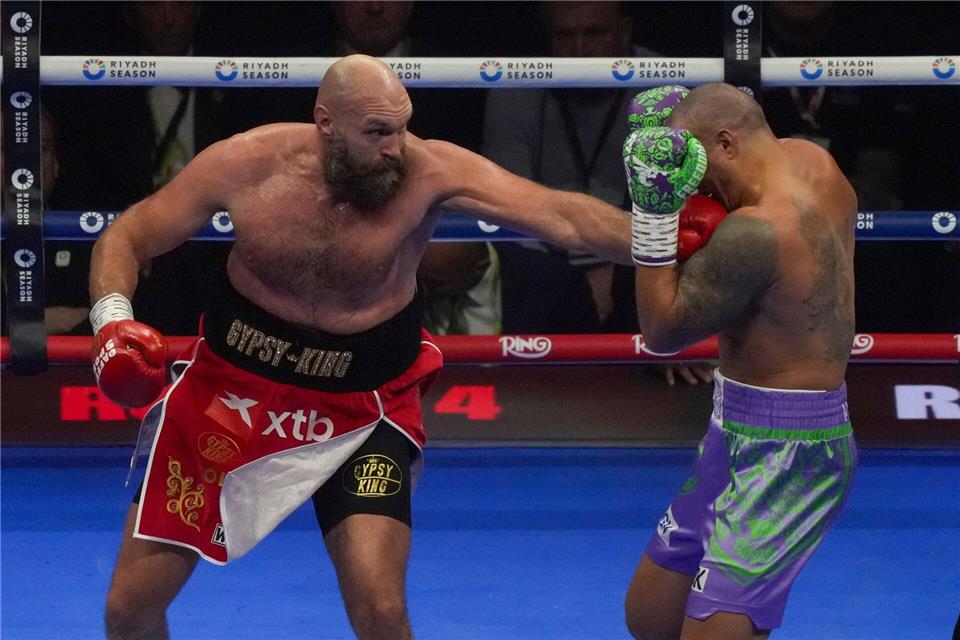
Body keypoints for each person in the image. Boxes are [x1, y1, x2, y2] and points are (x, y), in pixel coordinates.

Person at [93, 54, 633, 640]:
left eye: (402, 127)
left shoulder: (428, 170)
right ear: (326, 122)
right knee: (129, 609)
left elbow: (561, 215)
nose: (397, 147)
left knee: (381, 610)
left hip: (364, 407)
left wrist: (661, 238)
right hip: (231, 392)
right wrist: (112, 323)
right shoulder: (244, 163)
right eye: (378, 132)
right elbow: (129, 234)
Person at [621, 83, 858, 638]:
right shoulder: (813, 161)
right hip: (732, 428)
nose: (689, 181)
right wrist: (686, 125)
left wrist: (654, 213)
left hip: (789, 453)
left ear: (726, 142)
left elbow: (661, 332)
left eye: (695, 160)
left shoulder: (754, 232)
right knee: (650, 618)